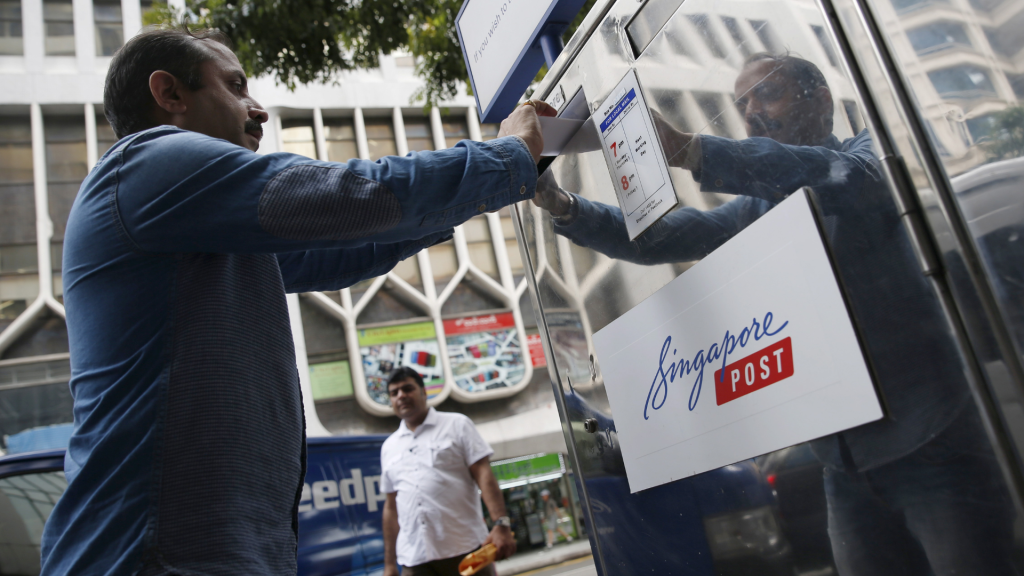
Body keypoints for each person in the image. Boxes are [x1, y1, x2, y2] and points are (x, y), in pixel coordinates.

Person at [40, 25, 554, 575]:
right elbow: (348, 196)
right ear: (170, 95)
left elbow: (345, 248)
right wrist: (506, 157)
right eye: (235, 87)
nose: (256, 109)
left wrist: (499, 180)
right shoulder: (146, 164)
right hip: (146, 558)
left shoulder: (204, 226)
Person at [534, 52, 1018, 575]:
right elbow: (665, 238)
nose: (752, 112)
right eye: (743, 104)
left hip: (933, 442)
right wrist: (565, 206)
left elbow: (842, 178)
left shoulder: (867, 151)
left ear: (821, 98)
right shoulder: (758, 209)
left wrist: (692, 151)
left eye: (767, 93)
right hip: (844, 463)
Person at [381, 367, 515, 576]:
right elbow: (391, 508)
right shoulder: (389, 447)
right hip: (415, 560)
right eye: (394, 392)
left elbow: (484, 475)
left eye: (408, 389)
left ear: (424, 392)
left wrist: (501, 524)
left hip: (466, 553)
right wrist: (389, 564)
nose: (401, 396)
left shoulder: (457, 425)